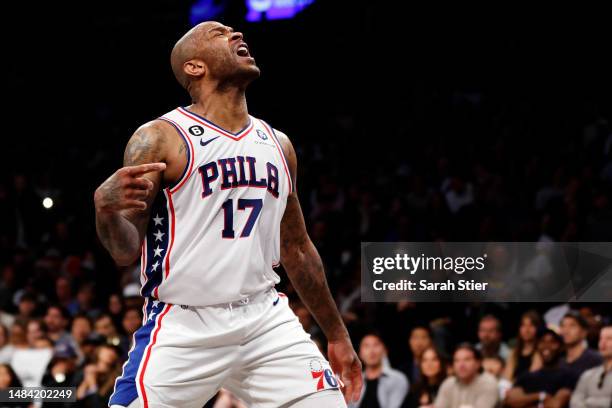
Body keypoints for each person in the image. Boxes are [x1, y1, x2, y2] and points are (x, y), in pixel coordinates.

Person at [94, 21, 361, 408]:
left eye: (235, 31)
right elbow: (124, 250)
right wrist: (105, 209)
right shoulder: (159, 138)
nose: (236, 35)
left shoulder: (278, 144)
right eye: (219, 33)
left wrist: (337, 335)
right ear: (194, 67)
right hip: (184, 324)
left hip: (265, 318)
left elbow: (297, 248)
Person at [505, 329, 576, 408]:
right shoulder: (526, 377)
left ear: (560, 346)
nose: (546, 346)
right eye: (542, 342)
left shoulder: (568, 376)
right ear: (537, 346)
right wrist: (541, 396)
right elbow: (511, 401)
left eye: (552, 342)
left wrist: (526, 402)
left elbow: (555, 405)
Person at [349, 332, 408, 408]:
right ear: (360, 354)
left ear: (385, 351)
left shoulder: (397, 379)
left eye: (376, 345)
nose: (371, 351)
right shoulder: (354, 382)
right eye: (366, 346)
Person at [434, 343, 498, 408]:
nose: (461, 365)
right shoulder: (448, 384)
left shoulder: (488, 383)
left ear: (478, 363)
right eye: (457, 360)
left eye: (467, 360)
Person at [570, 325, 612, 408]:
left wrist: (589, 401)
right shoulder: (588, 374)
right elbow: (574, 402)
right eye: (601, 338)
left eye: (609, 338)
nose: (603, 343)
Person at [559, 311, 603, 379]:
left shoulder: (596, 359)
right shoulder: (558, 360)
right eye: (563, 326)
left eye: (572, 326)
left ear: (584, 332)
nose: (566, 331)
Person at [504, 310, 543, 381]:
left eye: (531, 325)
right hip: (511, 388)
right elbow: (507, 376)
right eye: (523, 325)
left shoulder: (540, 352)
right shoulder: (514, 352)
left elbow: (531, 377)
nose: (526, 330)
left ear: (538, 328)